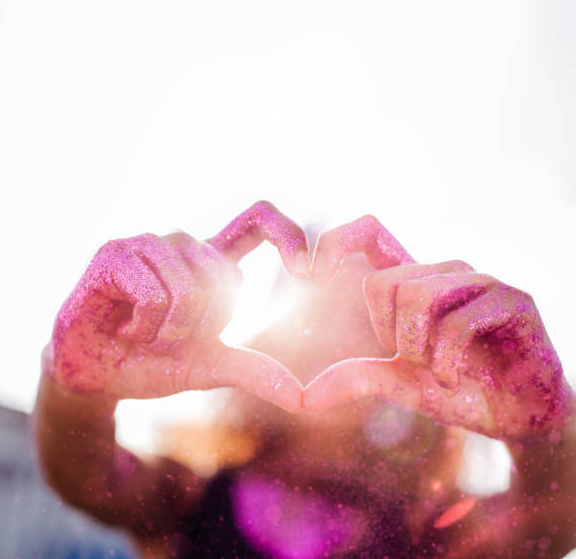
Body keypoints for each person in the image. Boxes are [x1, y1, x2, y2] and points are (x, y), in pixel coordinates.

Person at [34, 201, 576, 558]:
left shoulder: (434, 531)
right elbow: (88, 478)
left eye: (367, 319)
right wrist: (76, 386)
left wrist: (544, 429)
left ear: (414, 353)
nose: (337, 336)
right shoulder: (191, 495)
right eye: (318, 312)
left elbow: (550, 523)